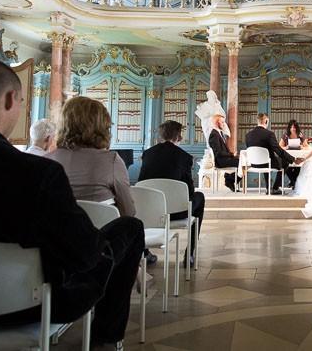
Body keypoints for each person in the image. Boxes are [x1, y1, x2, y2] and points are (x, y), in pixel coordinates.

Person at [0, 60, 144, 348]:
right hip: (27, 308)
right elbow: (82, 255)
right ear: (10, 100)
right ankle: (106, 338)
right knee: (125, 231)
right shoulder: (38, 174)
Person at [46, 97, 135, 218]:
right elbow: (128, 212)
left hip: (54, 235)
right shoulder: (112, 161)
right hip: (99, 234)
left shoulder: (45, 161)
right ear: (102, 127)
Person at [138, 120, 203, 266]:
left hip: (151, 211)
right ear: (179, 138)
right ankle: (189, 254)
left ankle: (145, 253)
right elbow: (188, 191)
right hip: (176, 212)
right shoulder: (185, 157)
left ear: (160, 137)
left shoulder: (147, 154)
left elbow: (141, 184)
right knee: (200, 197)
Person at [247, 113, 299, 194]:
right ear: (266, 121)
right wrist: (293, 159)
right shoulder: (269, 134)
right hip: (267, 163)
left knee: (266, 159)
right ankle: (275, 188)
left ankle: (268, 188)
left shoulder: (248, 135)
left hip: (254, 164)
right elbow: (279, 151)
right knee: (285, 161)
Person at [208, 114, 240, 191]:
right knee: (242, 163)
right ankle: (230, 179)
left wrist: (233, 155)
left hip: (224, 159)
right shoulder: (214, 135)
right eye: (222, 122)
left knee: (242, 161)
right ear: (217, 123)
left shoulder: (218, 133)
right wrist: (232, 155)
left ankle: (230, 178)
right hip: (221, 161)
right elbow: (218, 153)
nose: (224, 124)